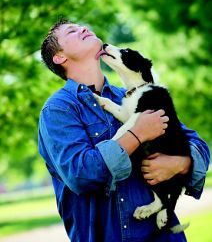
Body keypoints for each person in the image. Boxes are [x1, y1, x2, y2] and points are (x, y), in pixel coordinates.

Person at [38, 19, 210, 242]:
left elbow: (198, 146)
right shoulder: (58, 110)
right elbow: (81, 175)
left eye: (82, 26)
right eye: (72, 31)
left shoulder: (136, 94)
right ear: (59, 57)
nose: (83, 28)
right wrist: (136, 134)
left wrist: (181, 163)